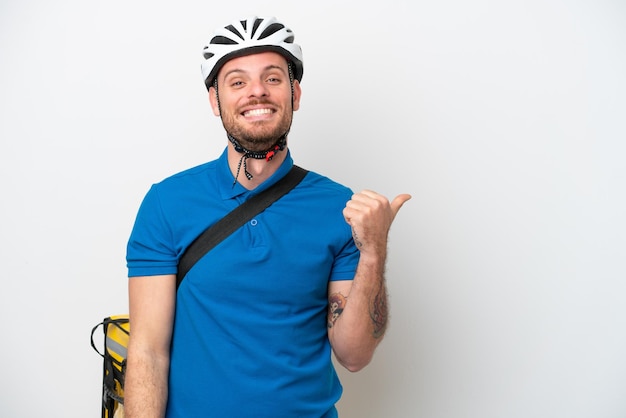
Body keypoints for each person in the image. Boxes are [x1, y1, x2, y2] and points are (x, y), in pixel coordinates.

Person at [124, 15, 411, 418]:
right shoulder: (167, 203)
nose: (256, 92)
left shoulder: (337, 206)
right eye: (237, 82)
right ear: (215, 101)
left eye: (273, 78)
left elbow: (355, 354)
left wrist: (374, 252)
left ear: (294, 94)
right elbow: (148, 351)